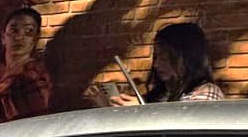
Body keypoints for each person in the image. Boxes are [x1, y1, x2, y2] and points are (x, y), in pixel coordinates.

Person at [95, 22, 225, 107]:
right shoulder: (161, 96)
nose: (157, 65)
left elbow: (181, 132)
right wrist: (108, 109)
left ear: (188, 58)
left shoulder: (207, 93)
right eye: (157, 57)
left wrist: (141, 112)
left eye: (166, 58)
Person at [0, 7, 53, 127]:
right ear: (3, 37)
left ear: (36, 38)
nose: (19, 37)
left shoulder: (30, 77)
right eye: (14, 31)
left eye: (28, 32)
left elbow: (33, 127)